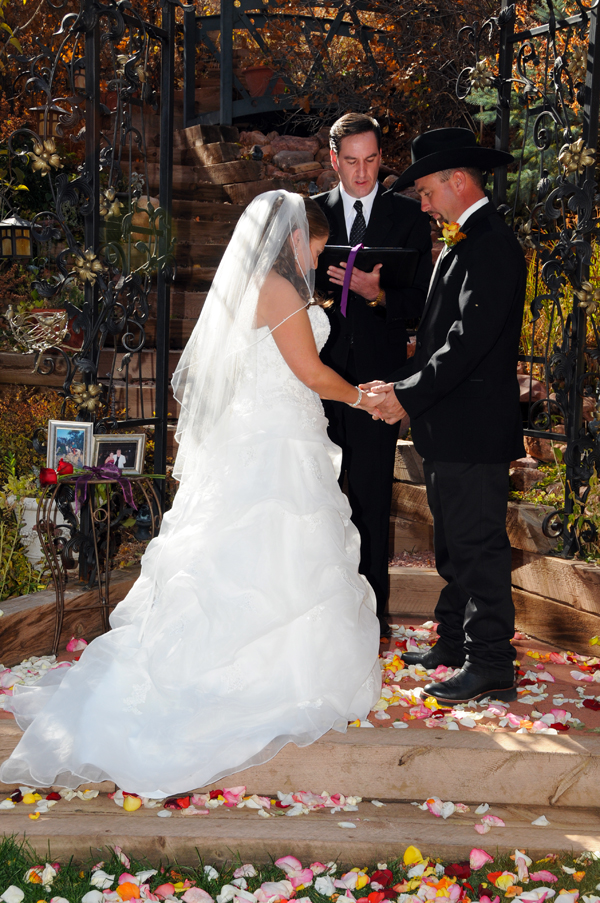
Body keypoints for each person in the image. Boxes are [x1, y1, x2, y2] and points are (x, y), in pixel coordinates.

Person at [0, 191, 382, 796]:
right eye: (315, 242)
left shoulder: (243, 288)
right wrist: (367, 398)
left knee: (247, 558)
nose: (318, 254)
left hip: (260, 435)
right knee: (279, 554)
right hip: (276, 442)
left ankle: (246, 664)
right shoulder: (280, 290)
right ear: (291, 238)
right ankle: (263, 678)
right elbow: (309, 372)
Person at [364, 128, 526, 704]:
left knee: (478, 545)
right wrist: (405, 384)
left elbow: (466, 343)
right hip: (449, 426)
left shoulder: (492, 245)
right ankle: (455, 642)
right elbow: (438, 338)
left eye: (428, 191)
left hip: (473, 429)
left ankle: (491, 662)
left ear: (459, 180)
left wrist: (406, 394)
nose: (424, 204)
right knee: (455, 545)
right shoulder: (464, 240)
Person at [314, 113, 432, 639]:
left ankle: (371, 618)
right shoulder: (310, 214)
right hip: (315, 378)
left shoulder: (408, 216)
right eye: (351, 162)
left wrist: (376, 294)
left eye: (372, 161)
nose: (362, 175)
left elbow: (424, 300)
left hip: (378, 384)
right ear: (334, 160)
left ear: (382, 159)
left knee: (369, 496)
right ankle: (318, 610)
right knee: (317, 495)